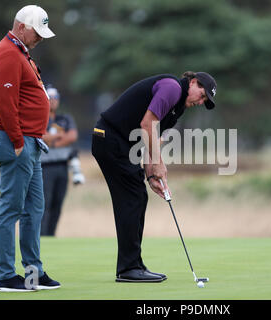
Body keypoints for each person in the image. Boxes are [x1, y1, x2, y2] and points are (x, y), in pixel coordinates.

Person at [92, 71, 217, 282]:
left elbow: (153, 136)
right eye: (202, 95)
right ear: (193, 82)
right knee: (132, 198)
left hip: (123, 145)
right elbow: (147, 124)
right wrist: (158, 163)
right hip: (110, 139)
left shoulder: (177, 108)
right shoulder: (172, 88)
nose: (200, 101)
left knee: (138, 197)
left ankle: (133, 265)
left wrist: (152, 173)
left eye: (205, 101)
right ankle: (128, 268)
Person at [0, 5, 60, 291]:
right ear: (21, 27)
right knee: (12, 208)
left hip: (30, 142)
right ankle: (5, 275)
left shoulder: (20, 52)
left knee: (33, 210)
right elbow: (6, 105)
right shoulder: (8, 54)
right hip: (14, 140)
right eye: (37, 32)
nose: (40, 38)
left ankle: (33, 274)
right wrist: (18, 142)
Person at [40, 86, 84, 236]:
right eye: (50, 98)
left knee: (57, 204)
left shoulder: (65, 118)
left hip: (62, 166)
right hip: (44, 167)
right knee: (44, 203)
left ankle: (51, 235)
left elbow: (72, 136)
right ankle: (42, 236)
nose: (53, 101)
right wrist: (59, 136)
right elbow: (39, 136)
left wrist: (51, 142)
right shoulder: (39, 118)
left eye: (55, 98)